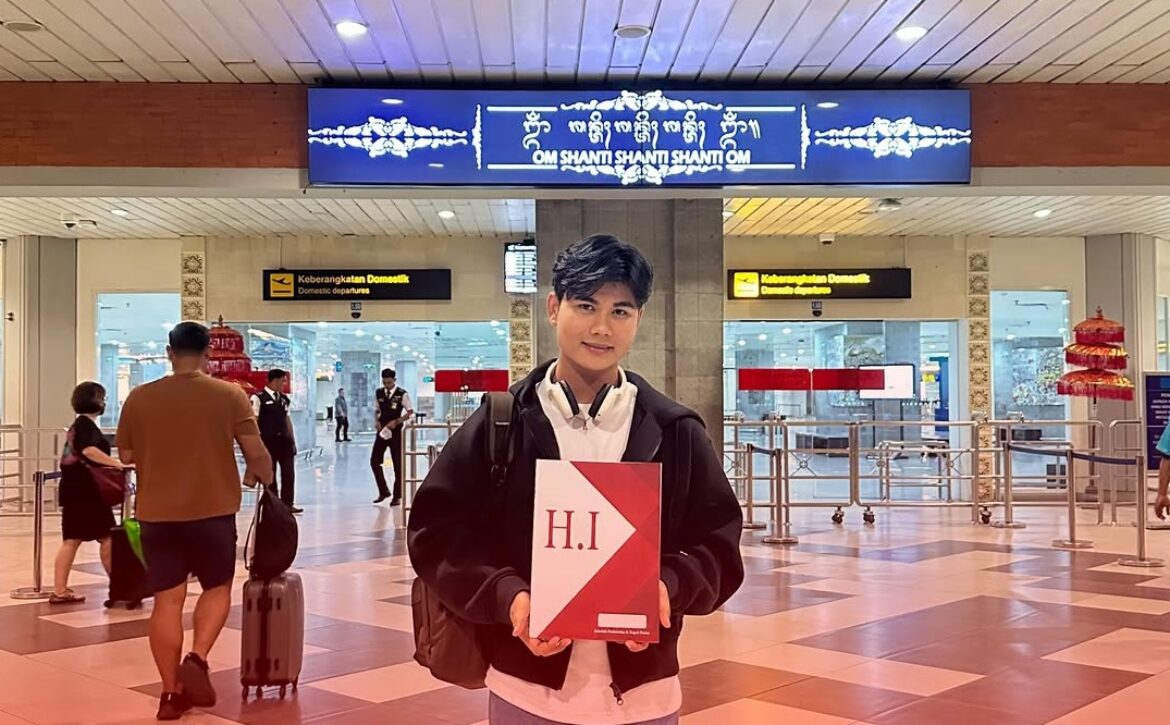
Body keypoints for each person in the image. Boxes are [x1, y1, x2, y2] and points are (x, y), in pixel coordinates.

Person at [408, 234, 745, 725]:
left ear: (639, 318)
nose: (602, 327)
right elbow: (437, 535)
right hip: (525, 693)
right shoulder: (502, 423)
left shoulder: (674, 431)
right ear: (553, 307)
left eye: (620, 311)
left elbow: (719, 544)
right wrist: (509, 597)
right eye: (586, 305)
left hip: (645, 699)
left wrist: (669, 587)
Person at [116, 322, 274, 721]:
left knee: (167, 601)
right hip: (213, 512)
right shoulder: (229, 395)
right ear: (208, 355)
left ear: (169, 352)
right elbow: (256, 452)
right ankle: (198, 657)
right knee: (216, 588)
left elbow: (126, 454)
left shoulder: (139, 397)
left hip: (157, 513)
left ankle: (170, 694)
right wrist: (260, 477)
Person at [51, 382, 120, 605]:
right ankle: (119, 585)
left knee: (72, 539)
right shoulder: (86, 425)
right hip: (88, 492)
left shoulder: (78, 425)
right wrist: (118, 464)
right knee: (107, 536)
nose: (104, 402)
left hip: (74, 491)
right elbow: (90, 451)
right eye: (102, 397)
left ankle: (60, 589)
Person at [252, 369, 301, 514]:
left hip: (284, 443)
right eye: (283, 381)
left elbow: (287, 420)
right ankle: (273, 504)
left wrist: (292, 440)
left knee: (288, 474)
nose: (284, 384)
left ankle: (288, 503)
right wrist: (256, 443)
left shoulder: (284, 399)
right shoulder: (258, 398)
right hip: (268, 442)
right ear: (275, 380)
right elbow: (254, 420)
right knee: (270, 475)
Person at [371, 368, 413, 506]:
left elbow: (410, 412)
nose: (387, 385)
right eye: (384, 383)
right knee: (374, 461)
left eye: (389, 382)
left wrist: (397, 421)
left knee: (397, 464)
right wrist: (376, 421)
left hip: (395, 432)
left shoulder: (402, 394)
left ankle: (397, 496)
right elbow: (377, 409)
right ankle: (384, 491)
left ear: (394, 380)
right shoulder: (379, 393)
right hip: (382, 431)